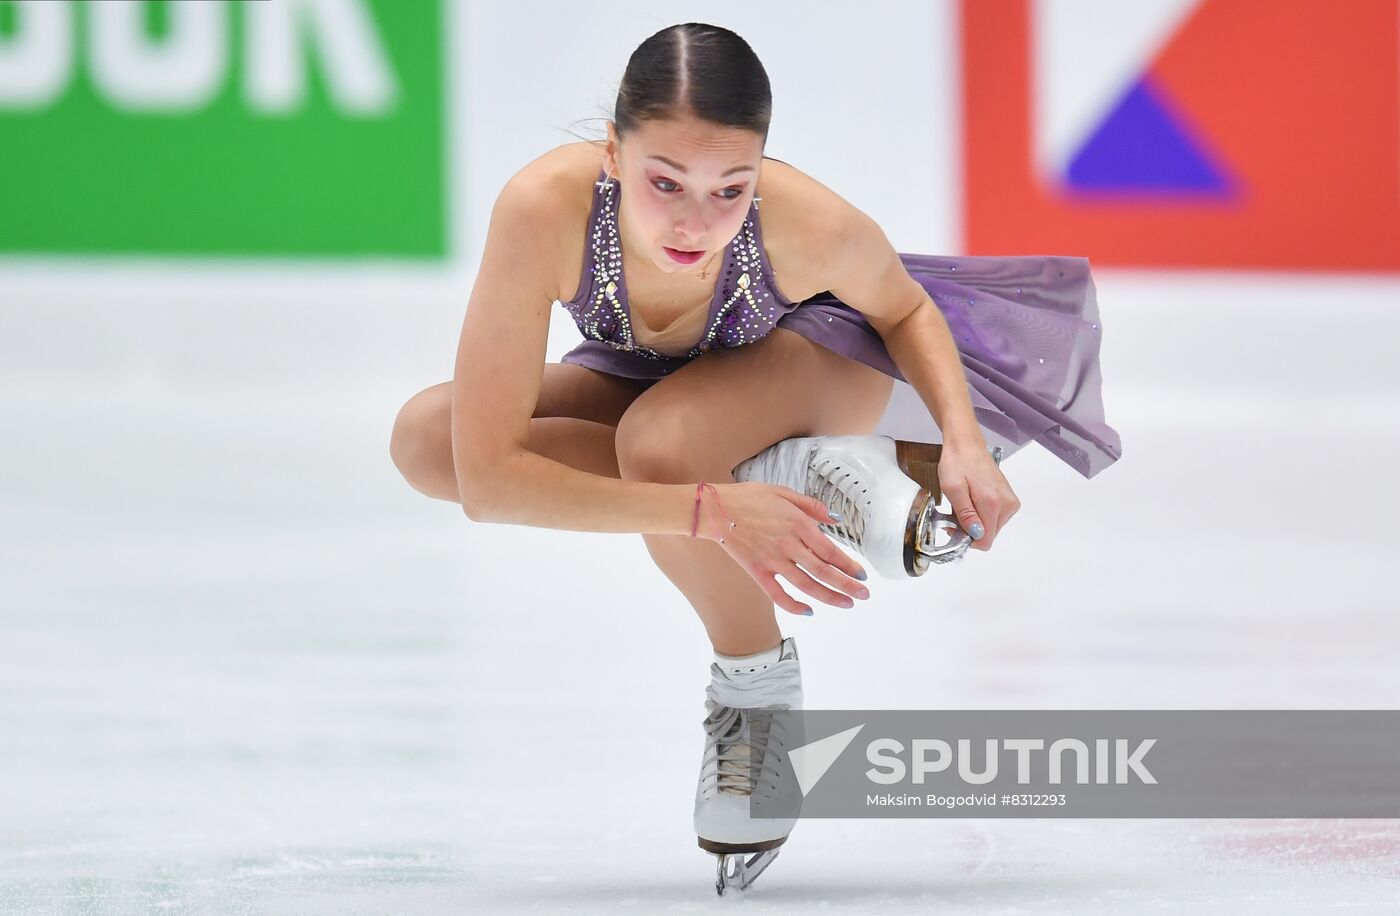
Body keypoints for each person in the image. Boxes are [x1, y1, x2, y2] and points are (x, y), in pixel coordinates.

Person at [389, 21, 1122, 894]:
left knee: (661, 446)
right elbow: (490, 485)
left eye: (730, 189)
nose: (697, 222)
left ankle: (756, 695)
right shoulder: (542, 210)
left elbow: (910, 312)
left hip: (825, 368)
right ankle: (782, 471)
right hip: (670, 385)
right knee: (430, 440)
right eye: (666, 183)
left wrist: (963, 442)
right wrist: (714, 511)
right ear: (612, 154)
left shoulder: (808, 223)